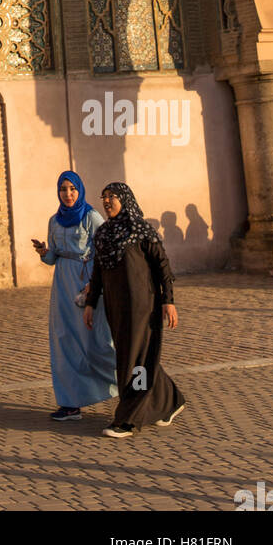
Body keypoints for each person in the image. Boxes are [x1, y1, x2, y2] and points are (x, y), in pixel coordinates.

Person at [84, 181, 185, 438]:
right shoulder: (104, 234)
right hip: (116, 308)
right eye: (103, 197)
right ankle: (171, 399)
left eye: (112, 197)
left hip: (143, 307)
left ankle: (128, 418)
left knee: (135, 363)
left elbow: (163, 266)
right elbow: (97, 273)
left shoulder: (141, 230)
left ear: (125, 199)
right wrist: (91, 303)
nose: (107, 201)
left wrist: (168, 301)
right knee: (135, 356)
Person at [32, 171, 117, 422]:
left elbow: (106, 251)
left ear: (80, 190)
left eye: (72, 189)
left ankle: (129, 383)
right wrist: (44, 252)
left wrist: (95, 283)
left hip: (89, 282)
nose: (67, 194)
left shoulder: (92, 217)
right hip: (63, 285)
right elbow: (53, 258)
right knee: (65, 341)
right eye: (63, 189)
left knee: (97, 341)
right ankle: (71, 403)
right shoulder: (55, 221)